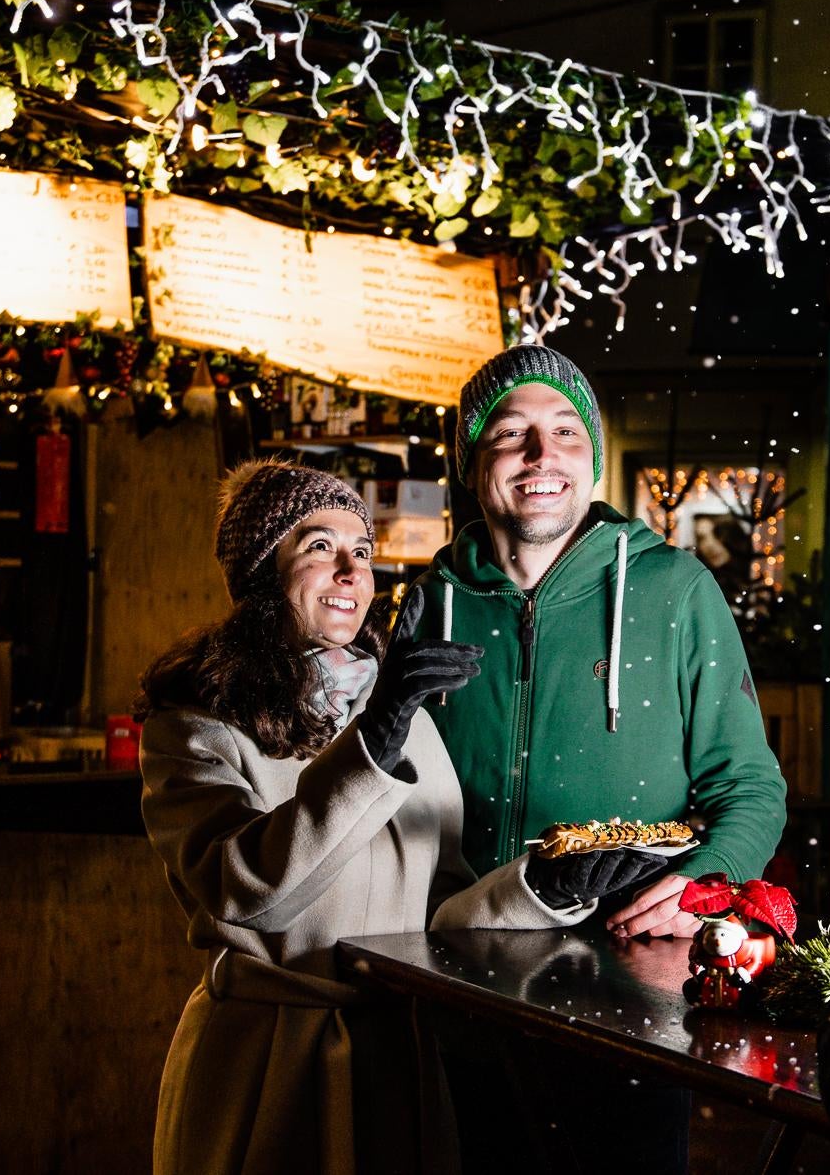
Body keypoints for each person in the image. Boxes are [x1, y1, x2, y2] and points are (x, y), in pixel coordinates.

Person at [137, 460, 666, 1175]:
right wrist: (372, 744)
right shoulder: (196, 724)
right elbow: (246, 889)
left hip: (395, 1062)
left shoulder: (392, 709)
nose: (352, 570)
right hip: (268, 1066)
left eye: (363, 551)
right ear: (261, 574)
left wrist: (547, 883)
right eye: (319, 546)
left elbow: (441, 918)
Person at [423, 346, 789, 1175]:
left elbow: (752, 786)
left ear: (590, 454)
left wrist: (709, 885)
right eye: (510, 434)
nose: (539, 455)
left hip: (625, 996)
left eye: (562, 432)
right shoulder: (427, 599)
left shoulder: (675, 590)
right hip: (453, 987)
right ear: (471, 462)